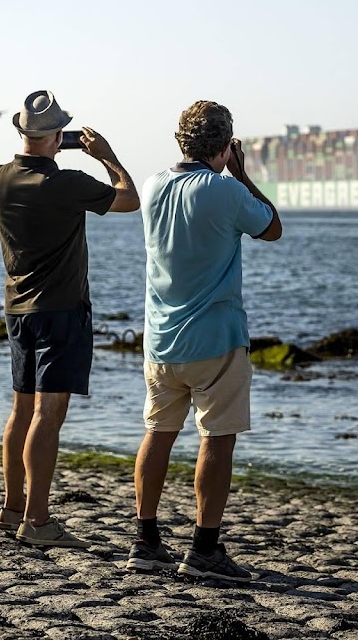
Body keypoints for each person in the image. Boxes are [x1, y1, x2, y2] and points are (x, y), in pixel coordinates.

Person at [127, 100, 281, 581]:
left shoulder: (153, 185)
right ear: (225, 145)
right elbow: (272, 227)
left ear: (180, 140)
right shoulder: (224, 190)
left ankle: (146, 540)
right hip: (216, 339)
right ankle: (204, 549)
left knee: (158, 433)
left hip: (161, 338)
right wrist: (241, 173)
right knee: (217, 439)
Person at [0, 90, 140, 548]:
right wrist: (108, 158)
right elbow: (129, 200)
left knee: (20, 411)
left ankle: (11, 510)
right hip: (62, 311)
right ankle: (38, 519)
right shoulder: (68, 183)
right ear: (56, 137)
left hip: (16, 310)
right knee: (48, 417)